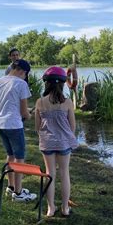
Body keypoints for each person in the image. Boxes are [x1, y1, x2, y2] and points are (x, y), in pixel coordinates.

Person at [35, 66, 78, 217]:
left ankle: (50, 208)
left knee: (49, 174)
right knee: (64, 173)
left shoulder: (40, 102)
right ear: (62, 83)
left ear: (46, 83)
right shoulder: (67, 103)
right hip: (64, 143)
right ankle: (65, 208)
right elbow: (72, 126)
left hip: (47, 143)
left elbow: (37, 126)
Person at [0, 59, 37, 202]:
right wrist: (29, 115)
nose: (25, 77)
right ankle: (18, 193)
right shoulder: (21, 84)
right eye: (25, 74)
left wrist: (23, 113)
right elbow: (24, 113)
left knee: (10, 154)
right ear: (22, 71)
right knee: (19, 157)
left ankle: (10, 186)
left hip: (0, 123)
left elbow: (7, 104)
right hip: (13, 125)